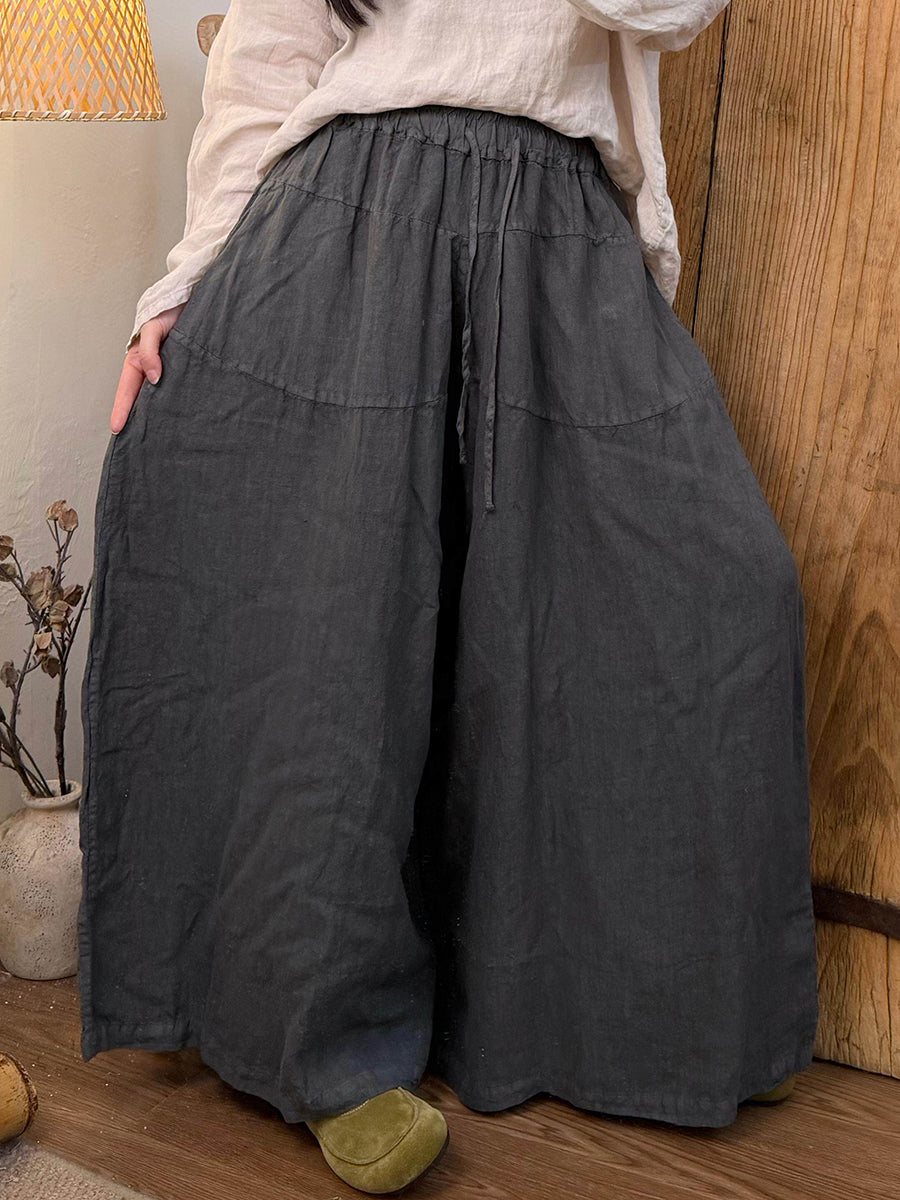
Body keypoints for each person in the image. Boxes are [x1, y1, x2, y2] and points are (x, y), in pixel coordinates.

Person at [79, 1, 820, 1193]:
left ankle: (671, 1007)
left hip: (562, 225)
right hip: (346, 216)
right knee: (336, 638)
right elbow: (267, 60)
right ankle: (328, 1054)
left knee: (716, 590)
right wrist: (182, 282)